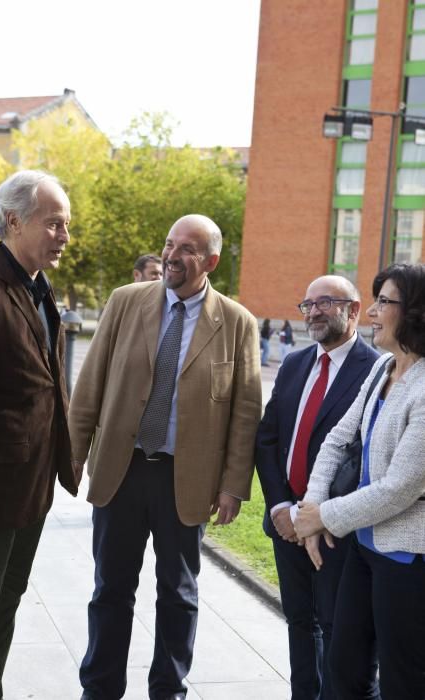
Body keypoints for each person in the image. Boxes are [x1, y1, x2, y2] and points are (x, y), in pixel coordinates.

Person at [69, 214, 262, 700]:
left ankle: (169, 690)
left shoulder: (238, 323)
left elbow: (245, 412)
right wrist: (72, 453)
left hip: (187, 478)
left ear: (211, 261)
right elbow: (90, 384)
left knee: (178, 595)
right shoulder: (124, 301)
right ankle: (100, 688)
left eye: (189, 249)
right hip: (122, 469)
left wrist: (233, 484)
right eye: (169, 243)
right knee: (110, 589)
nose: (174, 255)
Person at [0, 170, 79, 700]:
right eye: (54, 224)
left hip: (29, 494)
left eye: (66, 225)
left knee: (2, 611)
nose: (63, 236)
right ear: (14, 222)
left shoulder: (36, 288)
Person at [295, 263, 425, 700]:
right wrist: (312, 508)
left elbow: (400, 488)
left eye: (383, 302)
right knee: (344, 669)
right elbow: (336, 440)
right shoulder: (384, 368)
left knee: (404, 679)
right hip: (364, 550)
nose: (370, 311)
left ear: (415, 312)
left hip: (408, 560)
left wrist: (322, 518)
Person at [255, 275, 378, 700]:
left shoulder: (377, 370)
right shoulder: (294, 363)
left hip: (335, 529)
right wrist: (281, 508)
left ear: (355, 309)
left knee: (336, 626)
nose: (314, 312)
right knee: (298, 623)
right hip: (287, 523)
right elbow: (268, 438)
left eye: (325, 302)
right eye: (307, 305)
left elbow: (363, 454)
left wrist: (316, 515)